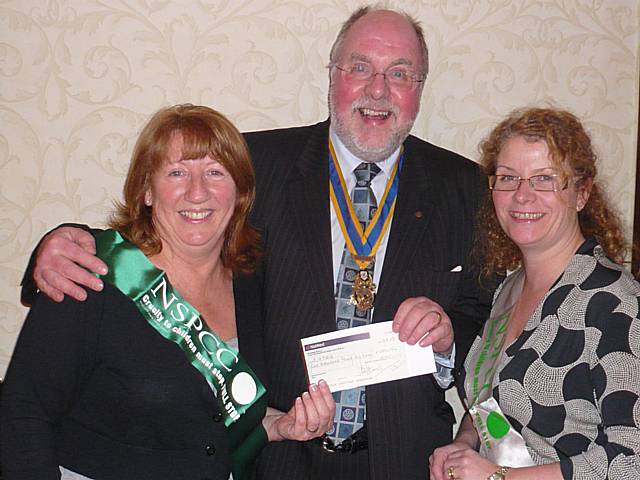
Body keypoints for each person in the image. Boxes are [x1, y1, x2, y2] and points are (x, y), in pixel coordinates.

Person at [21, 6, 495, 479]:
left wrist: (449, 336)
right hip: (278, 456)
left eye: (400, 73)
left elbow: (489, 318)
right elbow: (174, 214)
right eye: (359, 67)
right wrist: (60, 244)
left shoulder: (466, 187)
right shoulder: (254, 165)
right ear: (332, 75)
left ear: (420, 88)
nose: (377, 89)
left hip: (406, 459)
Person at [2, 104, 335, 480]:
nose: (197, 192)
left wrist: (278, 427)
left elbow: (206, 422)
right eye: (177, 172)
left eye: (215, 172)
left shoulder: (250, 285)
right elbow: (22, 414)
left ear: (239, 193)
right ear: (146, 190)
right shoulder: (91, 273)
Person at [429, 107, 640, 480]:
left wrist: (498, 477)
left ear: (581, 193)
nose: (522, 196)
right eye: (508, 178)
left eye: (544, 179)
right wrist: (465, 443)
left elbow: (630, 460)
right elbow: (493, 401)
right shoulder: (508, 288)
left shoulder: (613, 301)